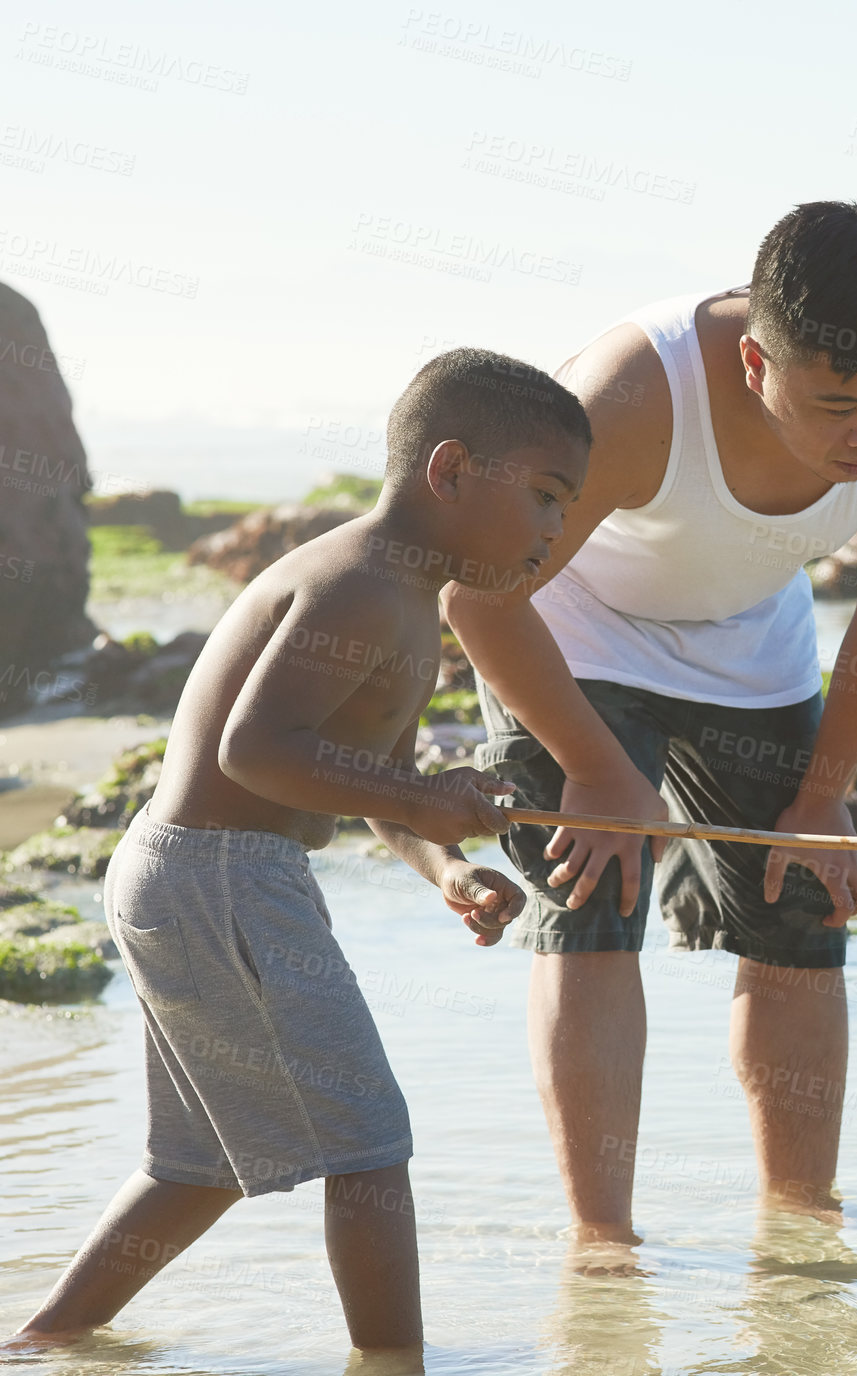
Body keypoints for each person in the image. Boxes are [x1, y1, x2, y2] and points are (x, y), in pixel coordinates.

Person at [10, 349, 591, 1357]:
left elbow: (368, 774)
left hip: (190, 872)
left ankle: (45, 1337)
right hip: (224, 872)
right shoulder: (360, 585)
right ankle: (394, 1360)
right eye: (542, 495)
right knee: (369, 1141)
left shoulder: (410, 596)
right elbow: (258, 748)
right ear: (448, 470)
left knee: (201, 1158)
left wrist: (442, 862)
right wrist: (424, 795)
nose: (553, 528)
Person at [443, 202, 857, 1240]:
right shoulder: (631, 395)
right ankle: (604, 1244)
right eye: (834, 405)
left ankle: (800, 1220)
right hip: (571, 631)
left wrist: (822, 794)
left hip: (748, 638)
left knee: (799, 908)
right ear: (751, 363)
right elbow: (475, 596)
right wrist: (596, 771)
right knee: (592, 902)